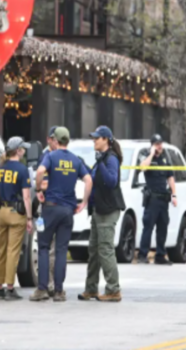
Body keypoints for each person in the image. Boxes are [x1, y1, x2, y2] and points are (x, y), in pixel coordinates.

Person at [31, 127, 93, 302]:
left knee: (43, 247)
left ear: (55, 141)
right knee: (61, 250)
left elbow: (40, 171)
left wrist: (38, 190)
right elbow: (88, 180)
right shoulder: (75, 160)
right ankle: (59, 291)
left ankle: (42, 289)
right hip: (68, 210)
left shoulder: (51, 156)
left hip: (51, 207)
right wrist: (84, 202)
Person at [78, 126, 125, 302]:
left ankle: (113, 290)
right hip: (98, 210)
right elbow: (93, 178)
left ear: (106, 140)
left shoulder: (111, 158)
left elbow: (111, 181)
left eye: (97, 138)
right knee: (94, 251)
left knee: (105, 249)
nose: (94, 140)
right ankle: (91, 289)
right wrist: (82, 165)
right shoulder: (102, 159)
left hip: (108, 210)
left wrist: (101, 164)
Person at [0, 137, 33, 300]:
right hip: (16, 213)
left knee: (1, 250)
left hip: (2, 211)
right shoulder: (22, 170)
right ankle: (10, 288)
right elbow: (26, 197)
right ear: (18, 151)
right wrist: (29, 218)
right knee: (12, 251)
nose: (24, 151)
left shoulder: (0, 167)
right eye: (23, 148)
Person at [136, 134, 178, 265]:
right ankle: (143, 255)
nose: (160, 146)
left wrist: (174, 195)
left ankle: (160, 255)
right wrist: (151, 154)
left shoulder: (165, 157)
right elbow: (143, 167)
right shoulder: (146, 155)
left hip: (163, 199)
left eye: (161, 144)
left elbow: (170, 177)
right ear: (152, 145)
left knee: (163, 227)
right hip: (152, 199)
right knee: (148, 227)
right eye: (157, 144)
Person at [35, 126, 58, 296]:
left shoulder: (61, 156)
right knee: (48, 248)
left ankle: (52, 284)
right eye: (54, 139)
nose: (56, 142)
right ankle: (49, 284)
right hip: (48, 205)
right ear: (48, 139)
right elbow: (42, 181)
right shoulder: (46, 157)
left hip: (57, 205)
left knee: (54, 248)